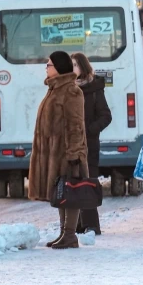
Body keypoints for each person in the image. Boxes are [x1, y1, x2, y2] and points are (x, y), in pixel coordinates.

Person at [28, 51, 88, 250]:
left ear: (59, 68)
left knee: (69, 193)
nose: (46, 67)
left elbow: (75, 125)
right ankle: (63, 232)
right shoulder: (54, 89)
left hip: (66, 153)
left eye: (49, 64)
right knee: (60, 192)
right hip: (54, 152)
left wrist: (74, 154)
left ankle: (70, 235)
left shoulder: (71, 91)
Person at [71, 52, 112, 235]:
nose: (72, 68)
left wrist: (89, 131)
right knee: (73, 183)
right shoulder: (69, 89)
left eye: (74, 65)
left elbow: (106, 116)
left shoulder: (94, 88)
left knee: (87, 182)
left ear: (82, 66)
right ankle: (79, 223)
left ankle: (92, 225)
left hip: (89, 145)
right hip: (71, 145)